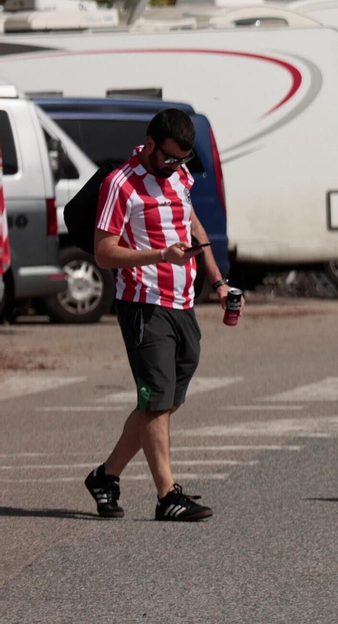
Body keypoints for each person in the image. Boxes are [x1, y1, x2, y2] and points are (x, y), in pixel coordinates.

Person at [83, 109, 236, 522]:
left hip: (182, 302)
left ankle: (105, 476)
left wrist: (218, 280)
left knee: (163, 401)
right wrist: (159, 256)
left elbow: (191, 221)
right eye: (169, 158)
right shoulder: (121, 185)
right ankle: (167, 495)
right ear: (150, 144)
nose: (175, 167)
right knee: (154, 399)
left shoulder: (179, 176)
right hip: (143, 304)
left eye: (183, 161)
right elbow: (103, 251)